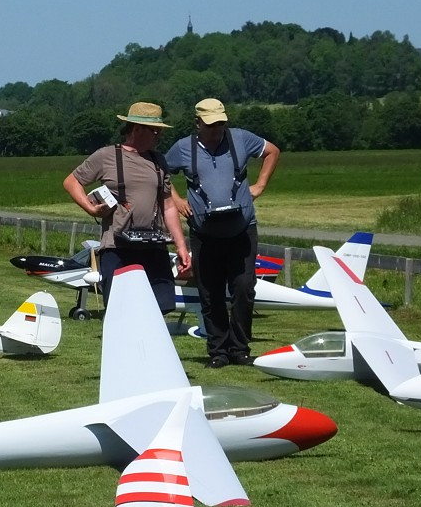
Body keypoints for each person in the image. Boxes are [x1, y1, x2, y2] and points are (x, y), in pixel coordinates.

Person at [165, 98, 281, 368]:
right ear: (198, 124)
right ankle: (218, 351)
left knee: (243, 288)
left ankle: (240, 348)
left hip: (242, 229)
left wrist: (260, 185)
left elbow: (272, 151)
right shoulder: (183, 148)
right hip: (204, 233)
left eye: (220, 123)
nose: (217, 129)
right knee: (210, 293)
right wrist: (177, 200)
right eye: (211, 125)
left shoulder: (241, 139)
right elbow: (161, 173)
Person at [62, 102, 190, 313]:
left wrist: (181, 247)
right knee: (120, 308)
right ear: (136, 129)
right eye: (155, 131)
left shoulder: (159, 161)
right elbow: (72, 182)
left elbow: (168, 206)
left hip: (154, 245)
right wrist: (90, 208)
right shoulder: (107, 156)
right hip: (117, 246)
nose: (159, 136)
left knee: (164, 304)